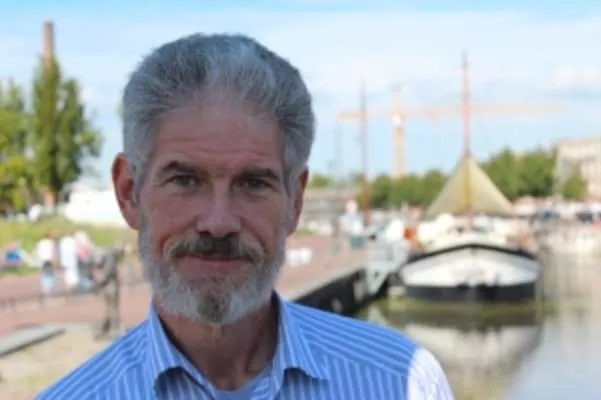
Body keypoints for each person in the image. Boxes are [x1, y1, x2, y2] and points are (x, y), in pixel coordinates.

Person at [35, 33, 453, 399]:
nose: (219, 222)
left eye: (253, 183)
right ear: (129, 193)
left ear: (294, 202)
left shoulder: (403, 384)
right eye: (185, 180)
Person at [92, 244, 125, 340]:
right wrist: (98, 285)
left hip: (109, 287)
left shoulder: (109, 256)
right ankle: (113, 329)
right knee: (113, 309)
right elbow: (106, 273)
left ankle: (104, 329)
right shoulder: (111, 257)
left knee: (110, 309)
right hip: (111, 287)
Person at [35, 231, 57, 295]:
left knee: (44, 274)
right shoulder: (51, 242)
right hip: (49, 260)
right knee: (50, 274)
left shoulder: (40, 242)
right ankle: (48, 288)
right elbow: (52, 252)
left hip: (41, 260)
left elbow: (38, 251)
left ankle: (45, 288)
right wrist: (54, 261)